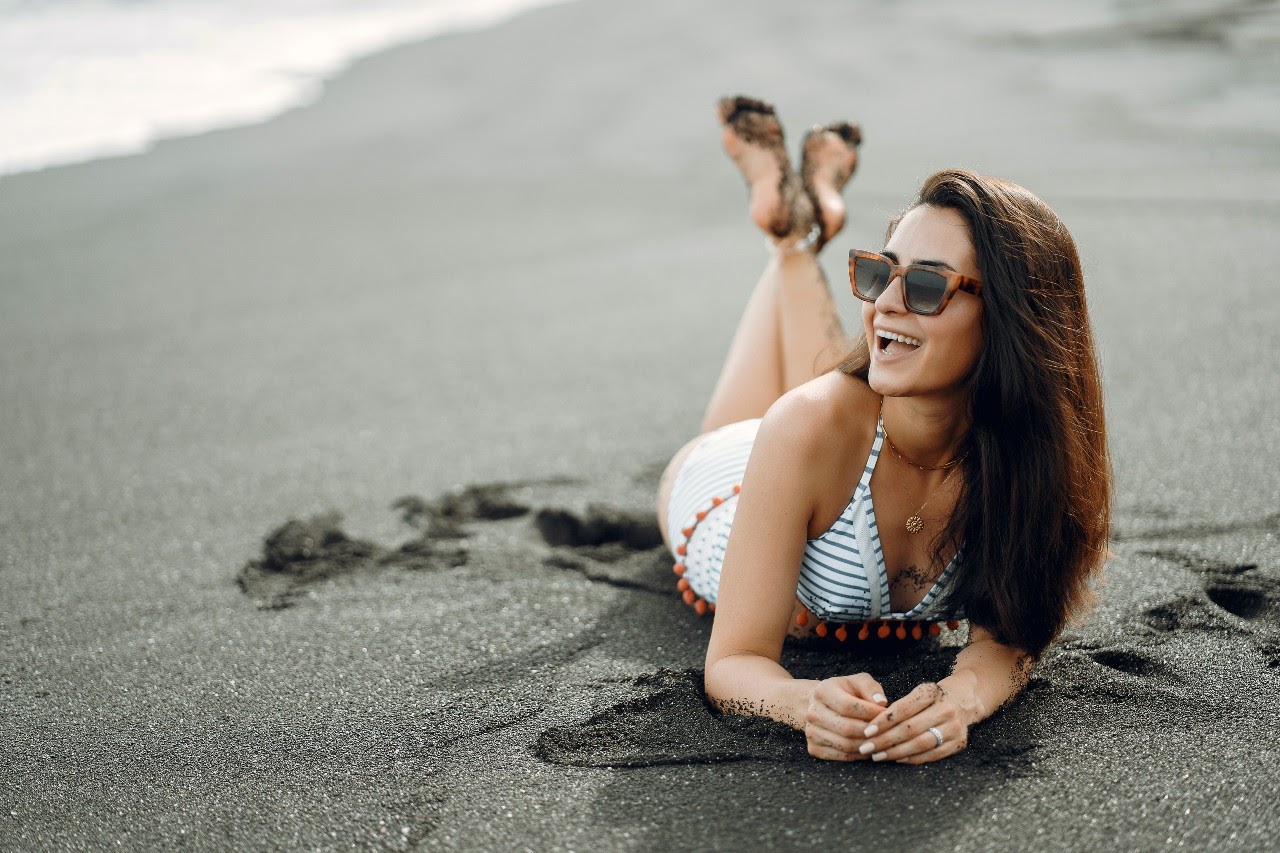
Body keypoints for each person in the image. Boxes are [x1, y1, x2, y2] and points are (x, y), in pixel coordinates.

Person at [655, 96, 1111, 764]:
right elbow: (734, 663)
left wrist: (963, 699)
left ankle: (798, 225)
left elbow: (1008, 641)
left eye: (927, 285)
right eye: (878, 272)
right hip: (721, 484)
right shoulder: (807, 425)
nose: (887, 299)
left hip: (835, 445)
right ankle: (792, 235)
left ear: (1012, 317)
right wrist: (801, 701)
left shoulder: (1026, 460)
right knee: (839, 385)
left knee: (875, 360)